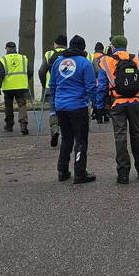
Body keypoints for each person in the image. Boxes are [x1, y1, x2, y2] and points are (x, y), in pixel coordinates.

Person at [97, 35, 139, 184]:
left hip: (117, 104)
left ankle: (123, 174)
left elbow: (102, 87)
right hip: (135, 101)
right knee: (137, 134)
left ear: (113, 47)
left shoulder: (106, 61)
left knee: (120, 137)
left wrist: (99, 106)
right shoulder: (135, 59)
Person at [48, 35, 97, 184]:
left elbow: (52, 85)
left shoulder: (58, 62)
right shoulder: (85, 63)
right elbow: (90, 87)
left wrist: (54, 106)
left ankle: (62, 171)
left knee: (66, 139)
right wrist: (96, 105)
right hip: (78, 106)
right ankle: (80, 173)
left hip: (61, 106)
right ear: (83, 48)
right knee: (81, 140)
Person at [0, 41, 31, 135]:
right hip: (21, 86)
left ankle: (9, 125)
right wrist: (25, 80)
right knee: (22, 105)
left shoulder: (3, 59)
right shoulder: (23, 58)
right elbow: (30, 71)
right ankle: (23, 125)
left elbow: (0, 74)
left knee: (8, 106)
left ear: (6, 48)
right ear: (15, 48)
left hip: (8, 87)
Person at [38, 34, 68, 147]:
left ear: (56, 44)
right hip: (66, 86)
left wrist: (43, 83)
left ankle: (55, 130)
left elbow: (41, 71)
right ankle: (66, 134)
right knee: (66, 110)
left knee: (53, 110)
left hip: (52, 87)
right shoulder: (69, 54)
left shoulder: (49, 54)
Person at [91, 42, 106, 124]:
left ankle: (98, 116)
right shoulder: (105, 57)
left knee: (96, 98)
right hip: (103, 79)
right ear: (102, 49)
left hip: (94, 80)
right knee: (105, 96)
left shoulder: (91, 57)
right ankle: (106, 114)